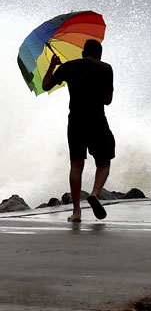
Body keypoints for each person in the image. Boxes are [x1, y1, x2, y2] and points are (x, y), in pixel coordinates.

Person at [42, 40, 115, 222]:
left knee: (76, 165)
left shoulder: (69, 67)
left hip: (75, 121)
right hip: (97, 119)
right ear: (99, 54)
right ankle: (95, 193)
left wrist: (52, 66)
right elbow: (108, 100)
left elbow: (46, 86)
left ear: (83, 52)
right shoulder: (105, 68)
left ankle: (76, 213)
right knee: (104, 161)